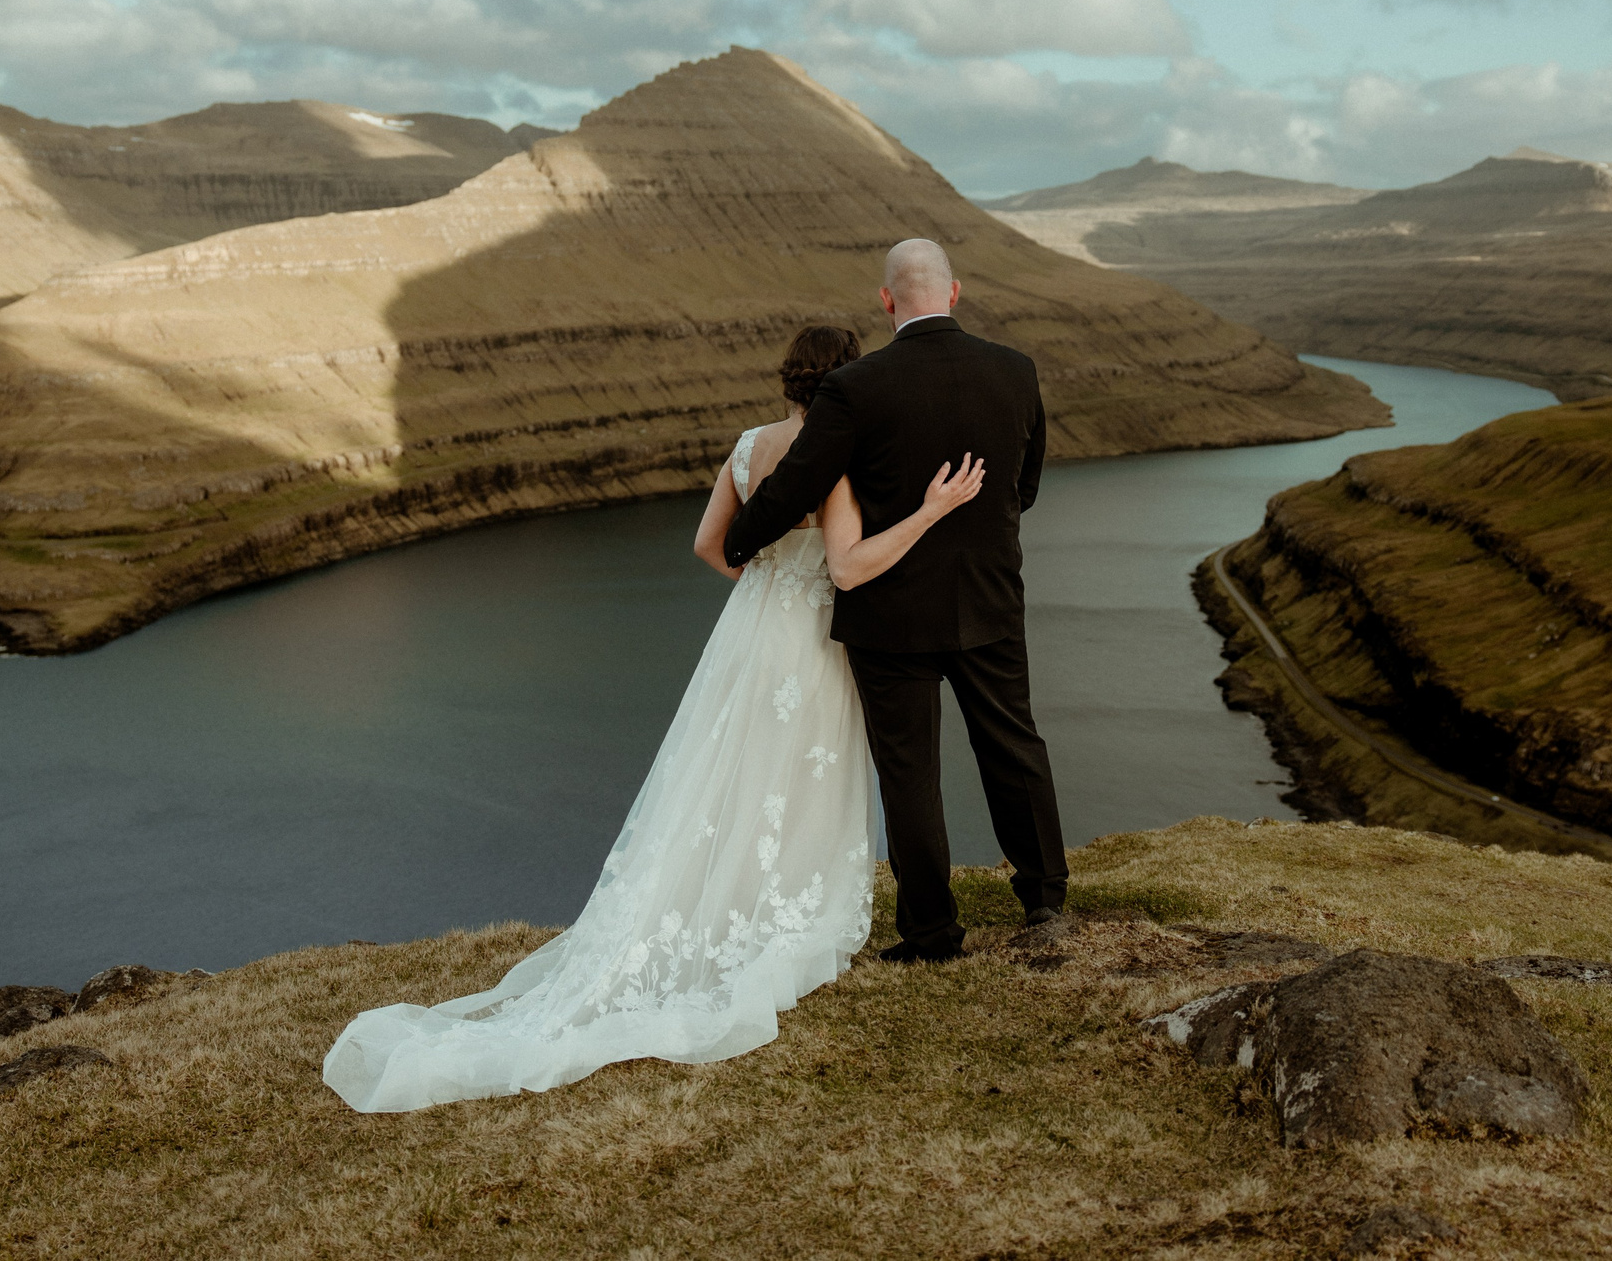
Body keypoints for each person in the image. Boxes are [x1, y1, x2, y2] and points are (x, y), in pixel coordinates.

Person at [322, 322, 988, 1112]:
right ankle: (788, 920)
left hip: (751, 630)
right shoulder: (834, 461)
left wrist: (769, 580)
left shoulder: (748, 446)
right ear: (848, 383)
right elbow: (848, 567)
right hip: (815, 640)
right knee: (807, 775)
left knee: (735, 777)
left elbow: (713, 548)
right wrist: (934, 512)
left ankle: (731, 906)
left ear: (786, 381)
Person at [723, 238, 1067, 964]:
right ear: (955, 292)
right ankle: (1044, 899)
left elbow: (795, 486)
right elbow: (1023, 487)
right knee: (1013, 747)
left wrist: (739, 541)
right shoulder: (1016, 371)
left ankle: (933, 933)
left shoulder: (859, 387)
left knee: (910, 774)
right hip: (988, 599)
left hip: (889, 612)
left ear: (886, 302)